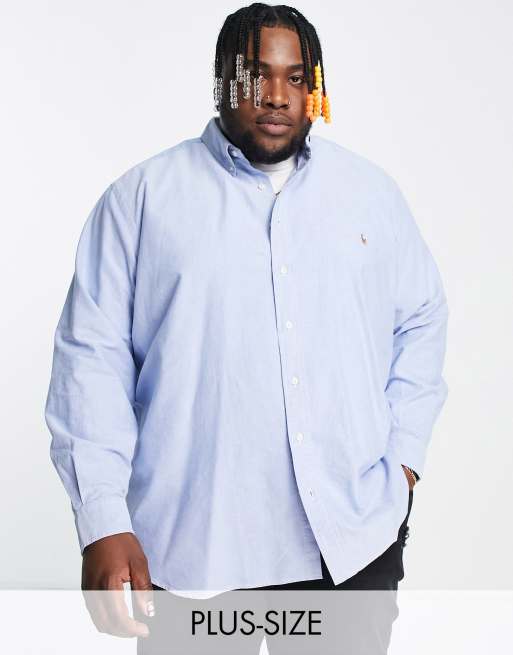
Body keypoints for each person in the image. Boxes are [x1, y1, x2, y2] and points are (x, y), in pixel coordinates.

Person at [44, 3, 448, 651]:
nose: (277, 95)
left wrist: (403, 459)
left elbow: (421, 319)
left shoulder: (370, 194)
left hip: (350, 544)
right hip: (195, 550)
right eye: (256, 75)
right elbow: (90, 363)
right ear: (222, 82)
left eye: (296, 78)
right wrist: (102, 520)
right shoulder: (142, 199)